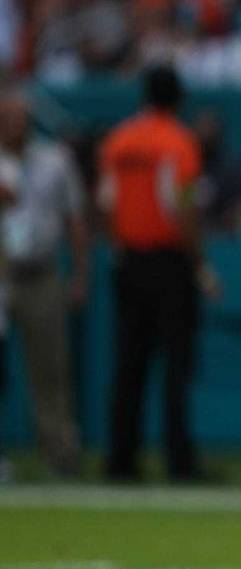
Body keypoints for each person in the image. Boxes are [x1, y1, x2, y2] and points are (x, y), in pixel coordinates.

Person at [98, 66, 216, 483]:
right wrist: (200, 264)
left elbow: (107, 204)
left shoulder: (118, 141)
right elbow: (182, 209)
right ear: (178, 98)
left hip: (128, 260)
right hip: (169, 264)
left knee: (129, 365)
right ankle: (178, 461)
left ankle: (120, 460)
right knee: (175, 368)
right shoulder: (179, 143)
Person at [0, 90, 88, 477]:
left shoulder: (54, 160)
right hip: (1, 272)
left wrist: (81, 274)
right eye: (7, 117)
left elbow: (76, 221)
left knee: (51, 368)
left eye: (20, 117)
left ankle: (60, 453)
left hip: (42, 271)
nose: (14, 124)